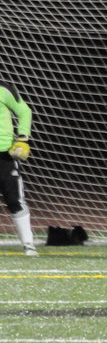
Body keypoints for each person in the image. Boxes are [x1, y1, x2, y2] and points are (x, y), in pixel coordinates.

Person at [0, 84, 38, 256]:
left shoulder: (3, 90)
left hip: (4, 155)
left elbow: (24, 111)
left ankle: (28, 245)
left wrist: (23, 138)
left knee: (14, 200)